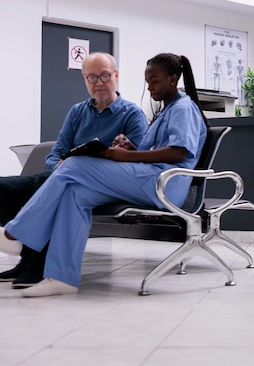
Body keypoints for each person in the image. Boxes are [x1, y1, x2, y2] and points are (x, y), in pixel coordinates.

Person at [0, 53, 208, 297]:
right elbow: (153, 152)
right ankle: (62, 277)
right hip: (148, 178)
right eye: (147, 82)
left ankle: (16, 233)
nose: (150, 87)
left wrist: (122, 156)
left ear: (173, 79)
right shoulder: (166, 110)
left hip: (164, 185)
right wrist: (131, 149)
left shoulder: (183, 107)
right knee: (75, 194)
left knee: (73, 164)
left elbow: (179, 152)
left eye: (155, 82)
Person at [0, 52, 148, 288]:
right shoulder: (78, 111)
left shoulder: (132, 114)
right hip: (63, 173)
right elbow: (56, 152)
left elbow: (139, 160)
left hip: (97, 183)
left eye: (105, 76)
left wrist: (122, 151)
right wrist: (58, 165)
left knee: (48, 180)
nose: (98, 82)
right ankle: (26, 257)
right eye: (92, 77)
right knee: (6, 187)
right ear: (85, 80)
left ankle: (39, 263)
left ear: (116, 76)